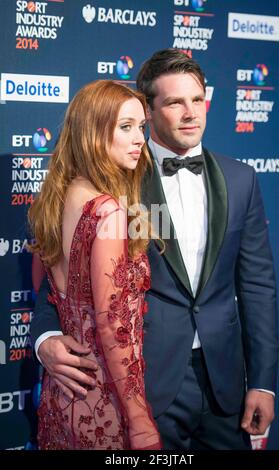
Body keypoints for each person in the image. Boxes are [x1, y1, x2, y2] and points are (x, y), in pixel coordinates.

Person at [31, 49, 279, 450]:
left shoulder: (242, 179)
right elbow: (64, 276)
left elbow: (257, 286)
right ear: (148, 109)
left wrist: (264, 382)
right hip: (148, 383)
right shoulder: (115, 177)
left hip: (225, 383)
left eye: (197, 99)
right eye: (175, 102)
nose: (190, 113)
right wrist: (45, 336)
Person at [28, 79, 162, 450]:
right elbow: (114, 328)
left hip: (63, 393)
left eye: (141, 127)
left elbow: (50, 287)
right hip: (105, 398)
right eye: (126, 127)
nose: (140, 139)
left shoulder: (57, 199)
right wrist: (139, 421)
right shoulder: (108, 211)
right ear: (93, 132)